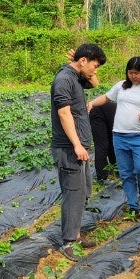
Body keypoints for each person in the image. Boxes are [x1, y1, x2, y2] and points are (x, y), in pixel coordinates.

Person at [89, 56, 140, 215]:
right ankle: (133, 204)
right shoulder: (121, 86)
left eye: (137, 73)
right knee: (126, 172)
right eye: (130, 72)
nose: (133, 76)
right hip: (119, 136)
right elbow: (106, 97)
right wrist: (91, 103)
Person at [50, 43, 107, 250]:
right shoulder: (64, 79)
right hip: (68, 148)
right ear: (83, 61)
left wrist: (82, 145)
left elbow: (95, 83)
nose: (95, 70)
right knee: (73, 194)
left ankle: (76, 232)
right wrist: (76, 145)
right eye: (94, 65)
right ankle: (69, 242)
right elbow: (64, 114)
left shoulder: (75, 77)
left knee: (83, 192)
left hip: (79, 146)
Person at [89, 98, 118, 181]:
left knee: (111, 142)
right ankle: (102, 176)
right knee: (102, 145)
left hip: (106, 111)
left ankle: (115, 168)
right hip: (98, 111)